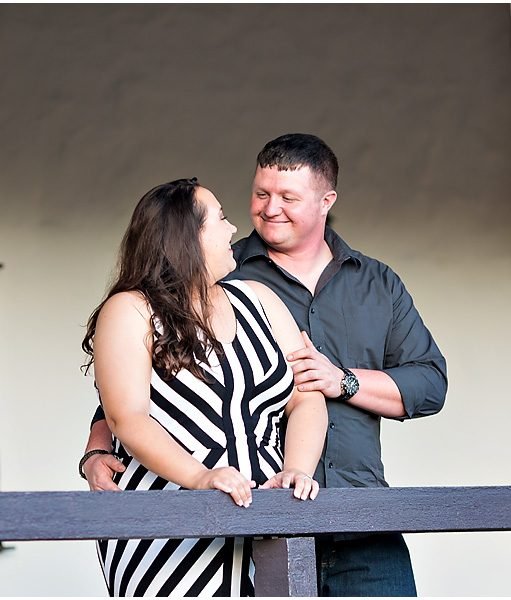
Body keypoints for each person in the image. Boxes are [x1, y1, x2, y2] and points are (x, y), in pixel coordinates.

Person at [80, 134, 448, 597]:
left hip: (349, 518)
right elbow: (127, 403)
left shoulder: (370, 283)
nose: (267, 209)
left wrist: (342, 386)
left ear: (325, 201)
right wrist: (98, 451)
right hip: (236, 526)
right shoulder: (211, 283)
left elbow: (428, 384)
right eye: (259, 195)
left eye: (288, 197)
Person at [81, 178, 327, 597]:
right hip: (168, 541)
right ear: (185, 236)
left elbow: (305, 397)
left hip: (267, 530)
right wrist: (201, 477)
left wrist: (296, 470)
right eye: (222, 218)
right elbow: (127, 416)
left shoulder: (260, 300)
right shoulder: (131, 310)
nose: (234, 230)